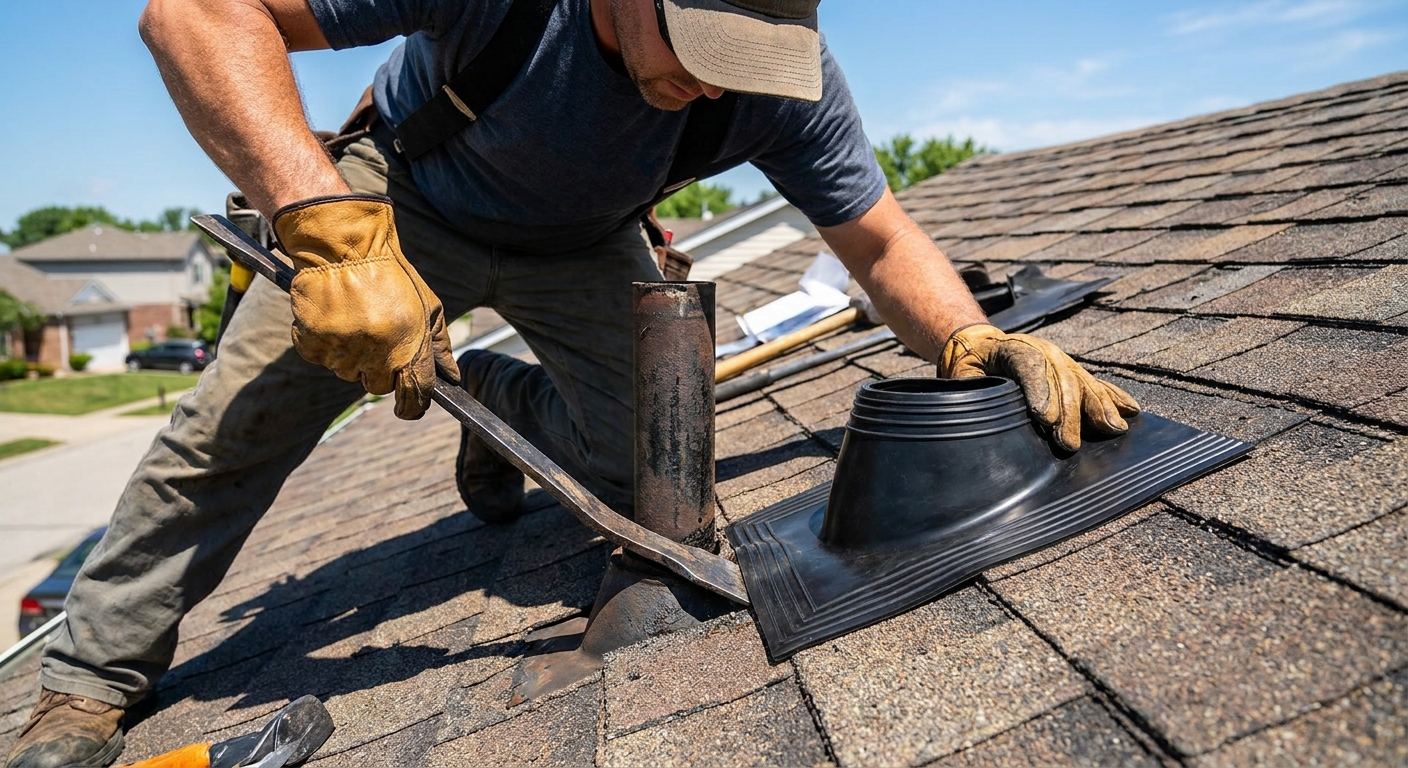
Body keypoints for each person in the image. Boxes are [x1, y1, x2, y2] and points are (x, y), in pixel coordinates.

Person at [5, 0, 1139, 764]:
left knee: (652, 478)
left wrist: (965, 345)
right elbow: (193, 13)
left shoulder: (782, 76)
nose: (713, 85)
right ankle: (92, 670)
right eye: (697, 43)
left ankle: (489, 402)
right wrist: (330, 236)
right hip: (404, 198)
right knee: (232, 430)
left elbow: (881, 244)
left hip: (588, 241)